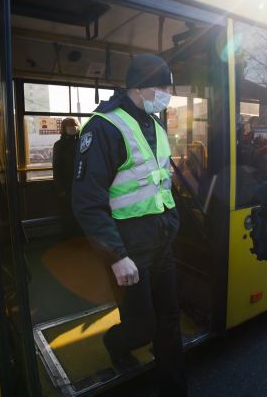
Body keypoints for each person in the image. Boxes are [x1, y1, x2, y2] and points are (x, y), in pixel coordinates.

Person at [71, 54, 187, 396]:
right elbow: (87, 203)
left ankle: (174, 389)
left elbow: (159, 183)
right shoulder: (104, 127)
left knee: (169, 321)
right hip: (130, 249)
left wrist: (173, 223)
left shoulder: (155, 123)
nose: (167, 93)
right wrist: (116, 255)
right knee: (142, 327)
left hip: (162, 241)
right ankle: (117, 343)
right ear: (141, 87)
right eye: (163, 87)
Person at [52, 117, 80, 234]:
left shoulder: (82, 142)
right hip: (67, 185)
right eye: (69, 126)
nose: (73, 128)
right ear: (63, 128)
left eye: (74, 125)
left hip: (80, 184)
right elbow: (57, 168)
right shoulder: (59, 145)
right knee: (68, 215)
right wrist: (60, 188)